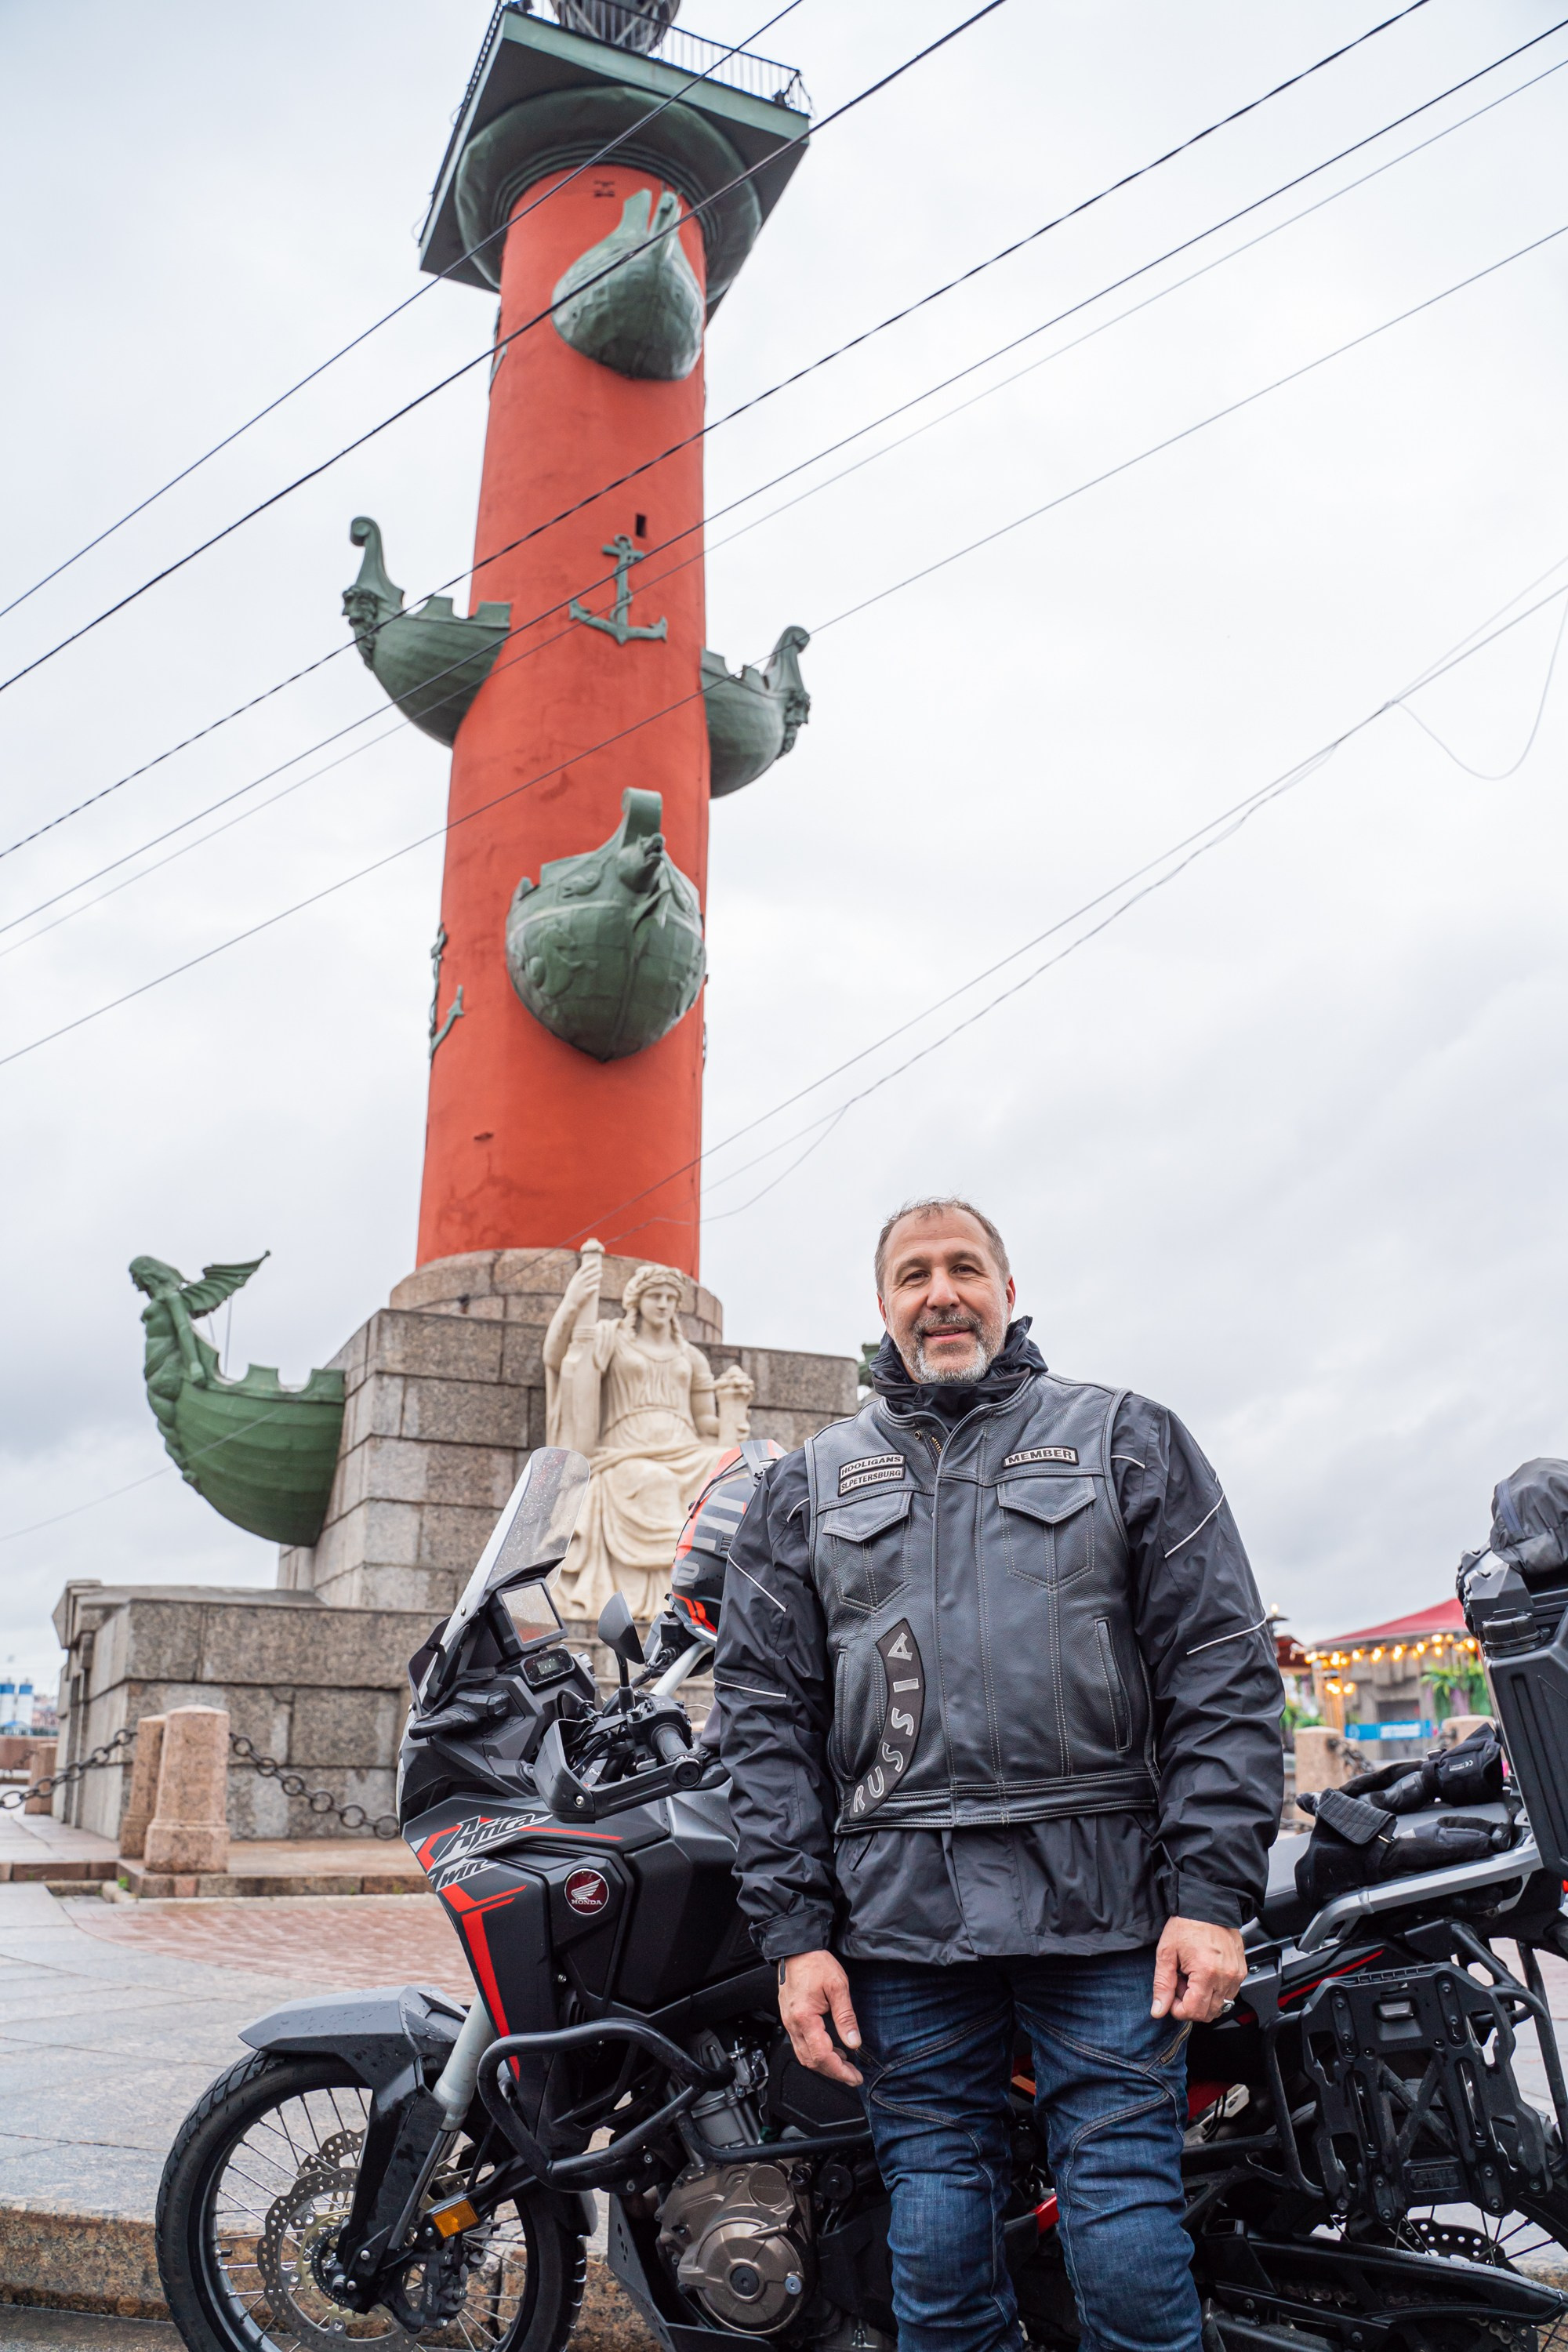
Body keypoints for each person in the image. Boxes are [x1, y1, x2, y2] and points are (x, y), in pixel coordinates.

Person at [715, 1197, 1283, 2352]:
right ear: (883, 1307)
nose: (942, 1294)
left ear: (1008, 1292)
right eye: (914, 1274)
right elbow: (763, 1721)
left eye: (965, 1268)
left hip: (1107, 1915)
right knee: (935, 2252)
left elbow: (1220, 1672)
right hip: (902, 1925)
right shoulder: (806, 1486)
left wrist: (1212, 1899)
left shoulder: (1128, 1438)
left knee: (1123, 2238)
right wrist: (797, 1936)